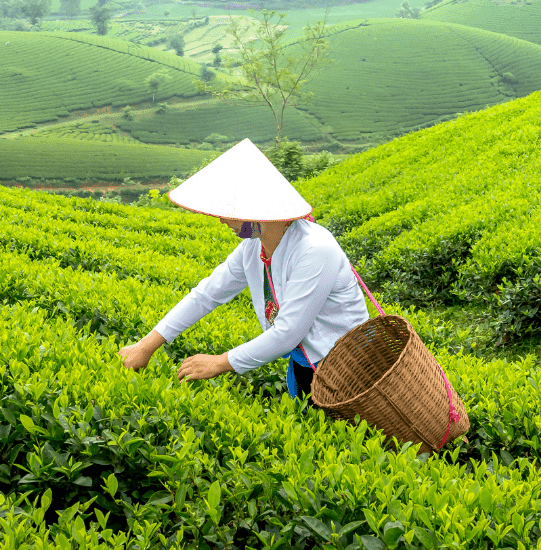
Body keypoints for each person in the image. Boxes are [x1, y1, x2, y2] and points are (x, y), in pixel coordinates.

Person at [118, 139, 369, 397]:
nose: (222, 219)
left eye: (232, 211)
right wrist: (146, 346)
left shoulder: (315, 250)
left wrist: (220, 362)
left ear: (259, 210)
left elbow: (288, 333)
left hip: (350, 370)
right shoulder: (254, 248)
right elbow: (206, 295)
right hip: (307, 365)